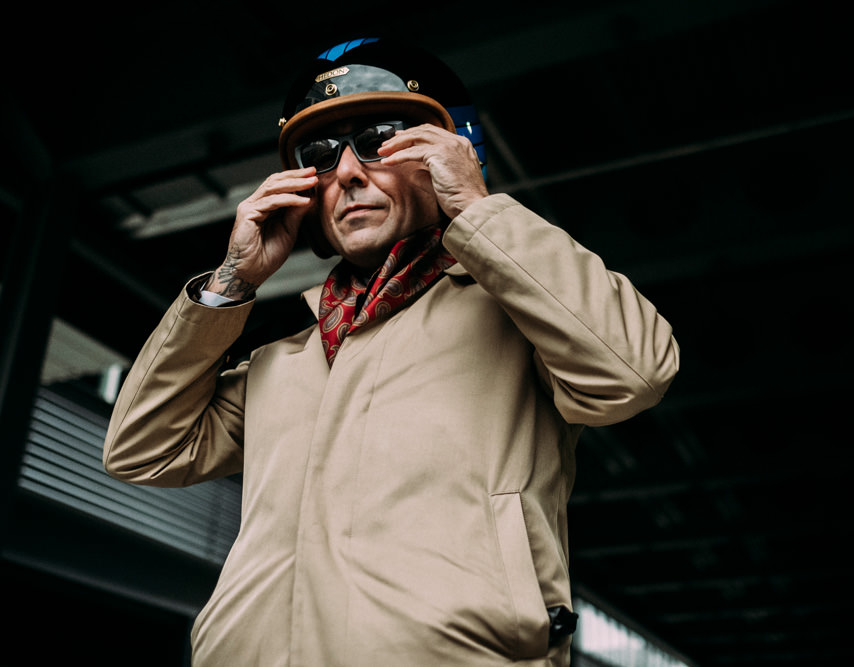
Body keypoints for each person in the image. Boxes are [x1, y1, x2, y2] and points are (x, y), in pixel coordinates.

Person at [103, 37, 679, 667]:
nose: (347, 171)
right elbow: (141, 450)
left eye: (380, 137)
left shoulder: (525, 317)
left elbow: (633, 374)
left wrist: (478, 209)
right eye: (319, 154)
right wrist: (229, 284)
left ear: (452, 153)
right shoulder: (282, 363)